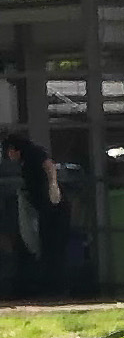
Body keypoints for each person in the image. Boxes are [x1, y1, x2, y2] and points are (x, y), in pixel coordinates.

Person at [4, 127, 68, 298]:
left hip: (52, 206)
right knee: (46, 245)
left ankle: (55, 288)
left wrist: (53, 185)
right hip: (44, 208)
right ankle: (52, 287)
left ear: (14, 149)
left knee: (52, 246)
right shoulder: (25, 161)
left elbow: (49, 165)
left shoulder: (33, 154)